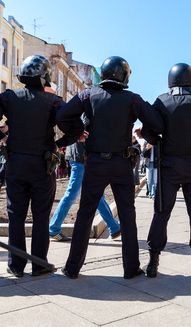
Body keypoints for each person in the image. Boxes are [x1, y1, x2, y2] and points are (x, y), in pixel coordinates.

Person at [57, 56, 164, 279]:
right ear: (124, 76)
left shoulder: (87, 94)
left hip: (94, 163)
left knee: (85, 214)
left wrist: (78, 131)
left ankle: (72, 267)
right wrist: (145, 132)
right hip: (121, 163)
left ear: (104, 74)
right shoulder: (132, 99)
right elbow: (158, 123)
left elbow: (62, 116)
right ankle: (131, 268)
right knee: (127, 215)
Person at [0, 55, 84, 278]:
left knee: (15, 215)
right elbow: (77, 127)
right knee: (40, 215)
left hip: (15, 164)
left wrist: (2, 136)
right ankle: (38, 264)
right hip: (42, 166)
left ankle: (16, 266)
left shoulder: (9, 97)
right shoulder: (54, 102)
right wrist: (59, 144)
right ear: (46, 77)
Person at [139, 63, 191, 278]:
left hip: (168, 166)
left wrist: (157, 141)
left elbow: (149, 129)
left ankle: (152, 263)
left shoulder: (162, 101)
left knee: (161, 212)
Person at [48, 139, 121, 242]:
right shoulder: (86, 122)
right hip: (81, 158)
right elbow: (83, 130)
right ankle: (54, 228)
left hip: (82, 157)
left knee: (97, 195)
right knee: (72, 194)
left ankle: (114, 228)